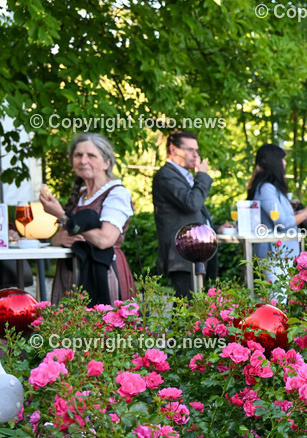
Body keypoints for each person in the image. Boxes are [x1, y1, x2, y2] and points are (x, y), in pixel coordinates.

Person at [39, 133, 136, 306]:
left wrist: (62, 216)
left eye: (91, 155)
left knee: (103, 327)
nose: (83, 160)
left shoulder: (116, 193)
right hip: (70, 272)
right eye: (78, 155)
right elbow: (56, 239)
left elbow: (105, 240)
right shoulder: (80, 194)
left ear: (107, 163)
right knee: (68, 328)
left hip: (103, 271)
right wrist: (62, 238)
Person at [152, 130, 218, 297]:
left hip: (194, 249)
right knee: (188, 306)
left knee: (190, 308)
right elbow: (191, 203)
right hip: (181, 252)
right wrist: (202, 175)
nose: (195, 155)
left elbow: (189, 214)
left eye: (196, 151)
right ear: (174, 150)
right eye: (190, 150)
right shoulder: (166, 175)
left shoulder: (184, 175)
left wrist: (215, 227)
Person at [246, 144, 307, 282]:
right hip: (274, 255)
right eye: (282, 159)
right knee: (277, 300)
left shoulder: (272, 188)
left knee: (283, 299)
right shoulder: (266, 188)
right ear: (274, 162)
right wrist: (306, 214)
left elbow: (284, 217)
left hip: (283, 255)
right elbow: (282, 222)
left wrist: (301, 211)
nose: (285, 163)